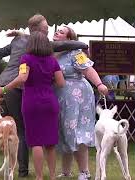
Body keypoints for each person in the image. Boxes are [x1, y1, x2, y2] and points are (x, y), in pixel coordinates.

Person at [0, 14, 89, 177]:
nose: (49, 30)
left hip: (21, 93)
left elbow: (2, 59)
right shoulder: (51, 57)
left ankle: (16, 170)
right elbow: (61, 81)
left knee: (18, 131)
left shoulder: (20, 45)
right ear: (40, 31)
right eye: (46, 28)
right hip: (47, 100)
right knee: (49, 142)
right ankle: (48, 175)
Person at [0, 31, 65, 180]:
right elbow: (61, 82)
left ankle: (39, 177)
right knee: (51, 142)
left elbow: (22, 78)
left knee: (36, 141)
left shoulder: (25, 58)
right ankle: (52, 176)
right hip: (50, 102)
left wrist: (4, 88)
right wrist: (47, 81)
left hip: (32, 102)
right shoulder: (53, 60)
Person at [52, 26, 108, 180]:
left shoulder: (76, 53)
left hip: (78, 97)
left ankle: (84, 172)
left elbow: (88, 70)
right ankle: (66, 171)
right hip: (59, 96)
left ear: (69, 39)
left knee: (77, 133)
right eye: (56, 31)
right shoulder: (51, 53)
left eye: (62, 32)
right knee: (64, 132)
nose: (57, 33)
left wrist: (99, 84)